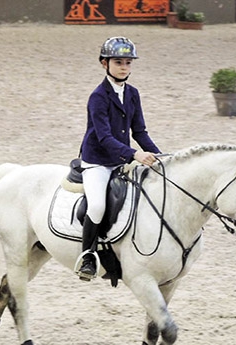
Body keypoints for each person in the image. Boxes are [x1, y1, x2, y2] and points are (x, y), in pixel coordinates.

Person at [77, 36, 160, 281]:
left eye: (127, 62)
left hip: (123, 159)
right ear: (105, 64)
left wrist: (160, 155)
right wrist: (135, 154)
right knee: (98, 205)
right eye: (118, 62)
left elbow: (140, 132)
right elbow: (104, 138)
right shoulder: (98, 97)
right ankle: (88, 256)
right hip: (98, 161)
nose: (124, 67)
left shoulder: (133, 94)